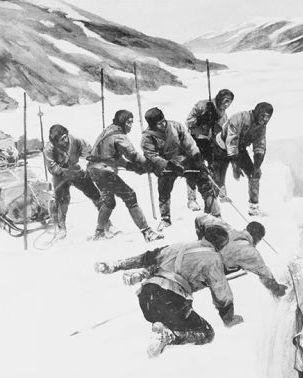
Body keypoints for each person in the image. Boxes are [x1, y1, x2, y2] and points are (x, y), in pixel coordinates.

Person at [94, 226, 243, 357]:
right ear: (221, 245)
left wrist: (117, 265)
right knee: (207, 333)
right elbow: (221, 292)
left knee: (171, 315)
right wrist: (228, 318)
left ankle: (162, 328)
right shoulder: (213, 258)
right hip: (171, 300)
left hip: (147, 297)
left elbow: (146, 257)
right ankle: (169, 335)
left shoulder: (179, 246)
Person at [87, 110, 163, 242]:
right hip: (104, 172)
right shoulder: (119, 136)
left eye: (132, 122)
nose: (130, 126)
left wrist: (133, 167)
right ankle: (147, 232)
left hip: (93, 169)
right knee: (130, 196)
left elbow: (113, 157)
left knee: (109, 202)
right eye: (128, 122)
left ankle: (99, 233)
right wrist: (148, 165)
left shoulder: (108, 131)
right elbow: (132, 155)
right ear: (122, 122)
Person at [141, 107, 220, 227]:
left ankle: (214, 214)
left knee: (204, 180)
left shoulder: (176, 126)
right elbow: (152, 156)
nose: (163, 124)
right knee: (164, 190)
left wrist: (198, 158)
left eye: (163, 121)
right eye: (159, 123)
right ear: (152, 125)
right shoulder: (147, 137)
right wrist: (170, 165)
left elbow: (189, 143)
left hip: (183, 160)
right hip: (165, 165)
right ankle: (165, 218)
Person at [193, 214, 288, 298]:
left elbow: (201, 217)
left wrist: (201, 239)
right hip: (205, 273)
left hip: (194, 257)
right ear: (257, 238)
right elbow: (264, 274)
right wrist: (276, 288)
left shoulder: (228, 228)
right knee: (240, 266)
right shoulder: (250, 252)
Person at [42, 124, 109, 239]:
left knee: (96, 196)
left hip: (78, 172)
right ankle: (61, 228)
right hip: (60, 176)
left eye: (65, 136)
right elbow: (53, 168)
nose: (65, 140)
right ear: (55, 142)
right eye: (61, 140)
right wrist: (67, 172)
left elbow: (89, 152)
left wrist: (90, 161)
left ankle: (107, 224)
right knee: (62, 201)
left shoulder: (76, 140)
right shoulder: (48, 149)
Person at [214, 102, 273, 216]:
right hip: (221, 147)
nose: (265, 120)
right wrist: (235, 165)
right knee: (218, 177)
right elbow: (231, 142)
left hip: (239, 148)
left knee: (255, 174)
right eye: (263, 116)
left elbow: (260, 146)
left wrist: (257, 166)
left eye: (268, 117)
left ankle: (253, 207)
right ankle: (216, 204)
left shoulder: (261, 127)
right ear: (256, 112)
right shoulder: (239, 118)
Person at [185, 88, 234, 212]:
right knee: (193, 169)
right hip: (195, 140)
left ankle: (215, 194)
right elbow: (188, 121)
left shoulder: (223, 115)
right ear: (219, 98)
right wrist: (201, 120)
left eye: (229, 102)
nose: (226, 104)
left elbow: (221, 132)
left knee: (215, 167)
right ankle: (192, 199)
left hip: (209, 143)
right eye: (225, 101)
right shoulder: (203, 105)